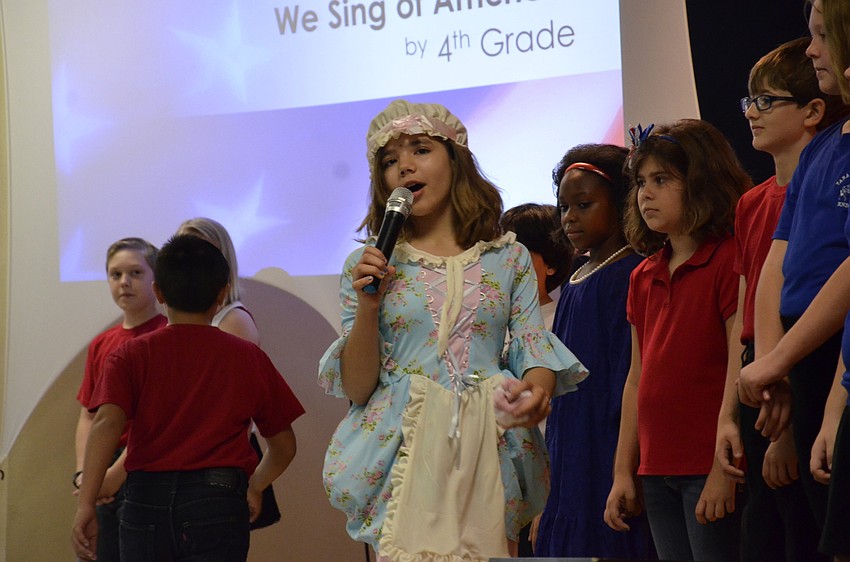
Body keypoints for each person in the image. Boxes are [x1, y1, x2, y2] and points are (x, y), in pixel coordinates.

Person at [317, 99, 587, 562]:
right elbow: (360, 386)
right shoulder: (368, 266)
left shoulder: (508, 258)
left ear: (455, 160)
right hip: (406, 441)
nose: (404, 166)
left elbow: (531, 346)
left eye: (420, 150)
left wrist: (536, 391)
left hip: (488, 438)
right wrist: (367, 306)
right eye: (389, 161)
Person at [71, 234, 304, 562]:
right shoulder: (247, 357)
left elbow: (105, 424)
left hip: (143, 500)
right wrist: (255, 485)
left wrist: (86, 503)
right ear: (222, 294)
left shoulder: (130, 355)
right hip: (219, 501)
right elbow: (284, 446)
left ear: (158, 292)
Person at [714, 37, 846, 562]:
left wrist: (780, 369)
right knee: (773, 531)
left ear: (813, 109)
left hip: (821, 355)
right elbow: (767, 280)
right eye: (749, 101)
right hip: (772, 364)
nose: (753, 112)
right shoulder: (763, 196)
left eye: (766, 101)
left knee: (815, 527)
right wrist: (770, 369)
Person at [603, 119, 750, 562]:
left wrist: (724, 471)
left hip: (710, 467)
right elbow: (636, 378)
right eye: (641, 182)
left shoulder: (728, 260)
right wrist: (623, 471)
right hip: (656, 470)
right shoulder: (642, 275)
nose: (645, 193)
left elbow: (738, 361)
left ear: (701, 182)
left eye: (662, 180)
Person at [534, 144, 653, 559]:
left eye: (584, 205)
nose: (569, 218)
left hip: (607, 439)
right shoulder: (577, 278)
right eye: (563, 207)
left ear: (622, 202)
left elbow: (630, 374)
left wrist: (626, 467)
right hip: (570, 438)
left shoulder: (629, 273)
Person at [73, 237, 167, 562]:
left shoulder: (167, 335)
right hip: (102, 469)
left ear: (156, 280)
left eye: (136, 273)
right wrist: (85, 474)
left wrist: (112, 475)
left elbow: (157, 422)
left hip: (144, 471)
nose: (124, 282)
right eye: (115, 275)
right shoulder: (102, 344)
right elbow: (90, 415)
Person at [499, 202, 572, 330]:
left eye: (518, 255)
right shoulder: (491, 321)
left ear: (550, 264)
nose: (505, 263)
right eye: (500, 253)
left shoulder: (560, 323)